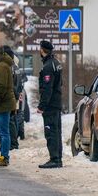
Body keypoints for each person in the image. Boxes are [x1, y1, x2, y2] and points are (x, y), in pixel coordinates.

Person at [37, 40, 64, 169]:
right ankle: (58, 157)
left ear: (42, 50)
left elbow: (47, 88)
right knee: (56, 131)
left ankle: (54, 159)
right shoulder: (56, 63)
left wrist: (42, 105)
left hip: (50, 105)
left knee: (51, 131)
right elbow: (60, 83)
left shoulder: (48, 66)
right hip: (56, 102)